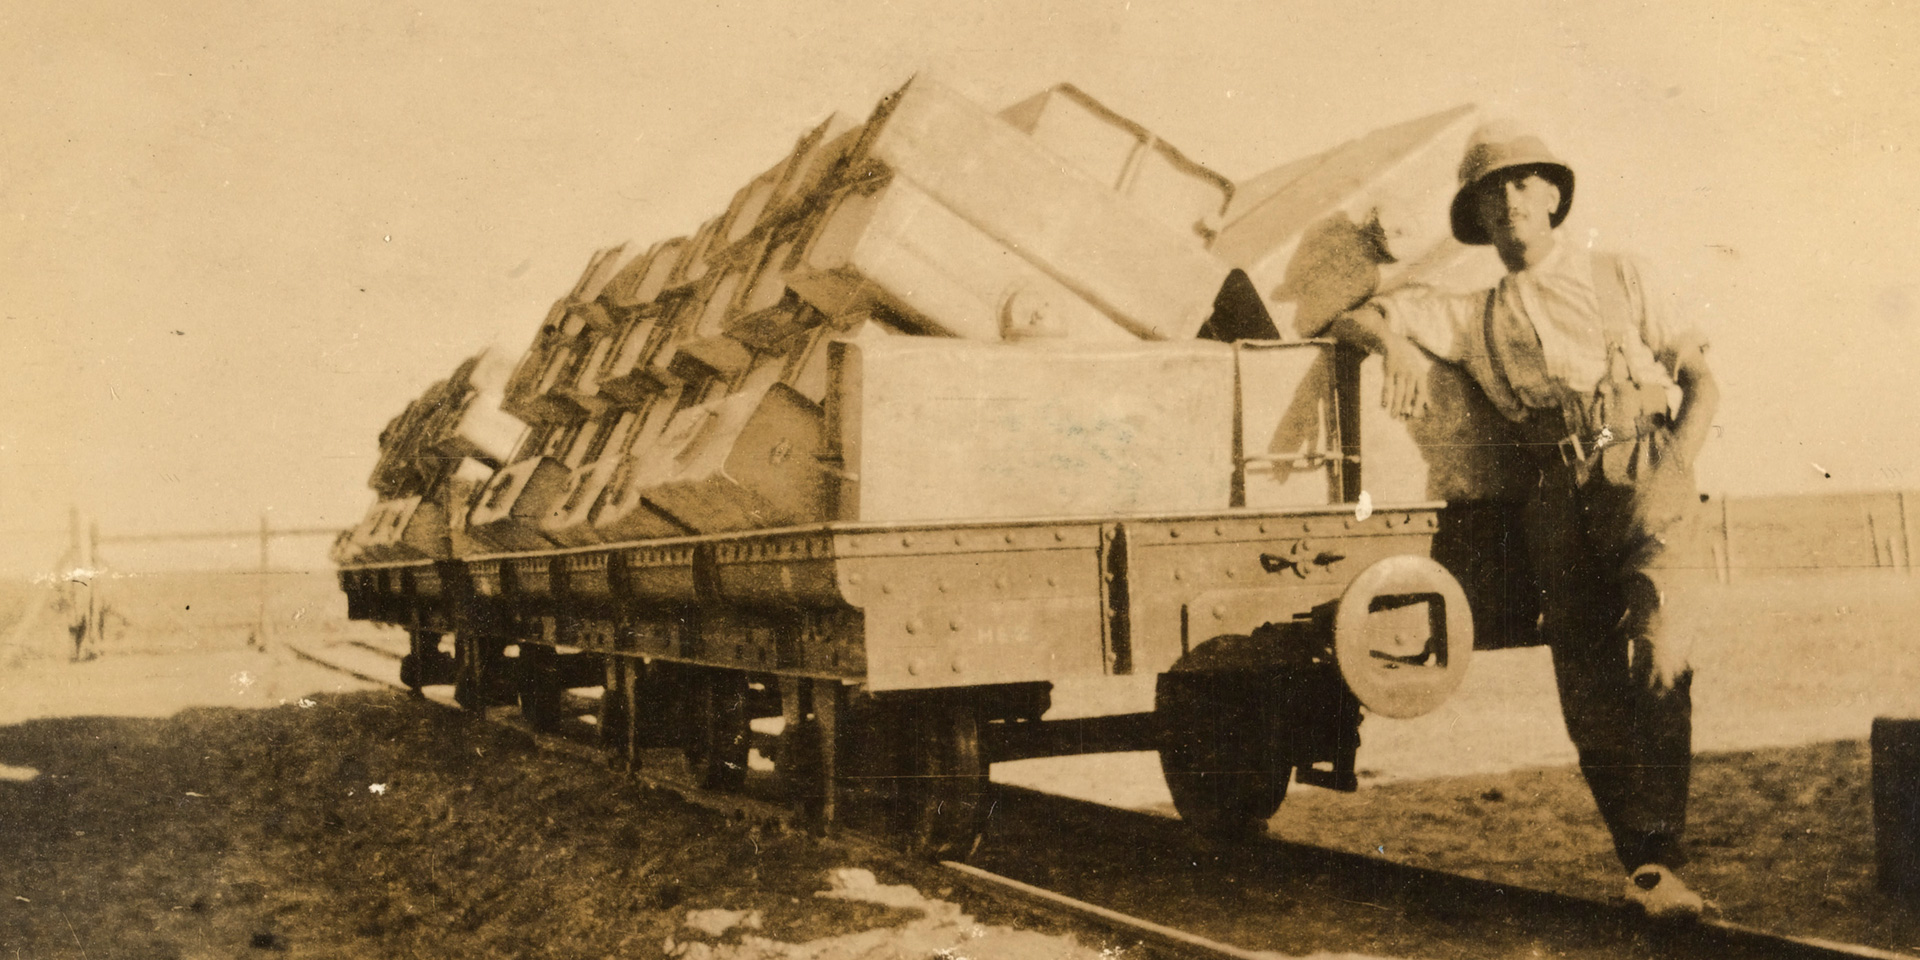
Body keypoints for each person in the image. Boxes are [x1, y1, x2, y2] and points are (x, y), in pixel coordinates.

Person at [1331, 121, 1721, 919]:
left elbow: (1702, 378)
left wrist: (1672, 464)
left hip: (1645, 468)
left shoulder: (1620, 275)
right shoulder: (1473, 313)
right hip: (1553, 492)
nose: (1509, 199)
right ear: (1477, 215)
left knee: (1662, 652)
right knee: (1583, 673)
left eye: (1522, 183)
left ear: (1551, 197)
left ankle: (1662, 845)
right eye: (1491, 189)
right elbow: (1356, 315)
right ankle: (1648, 866)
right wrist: (1397, 351)